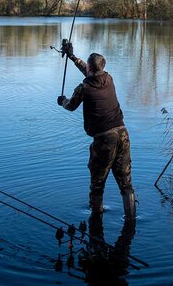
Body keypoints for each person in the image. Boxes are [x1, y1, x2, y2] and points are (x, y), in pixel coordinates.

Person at [57, 42, 136, 219]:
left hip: (104, 140)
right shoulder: (108, 78)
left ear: (92, 69)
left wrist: (62, 101)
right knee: (126, 183)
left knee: (97, 183)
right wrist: (72, 57)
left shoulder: (84, 88)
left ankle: (96, 218)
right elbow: (89, 71)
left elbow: (70, 106)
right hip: (123, 134)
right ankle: (131, 220)